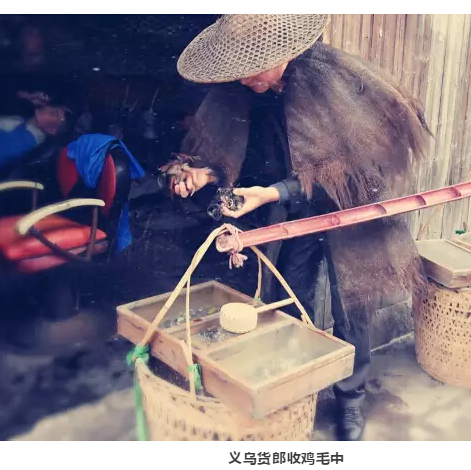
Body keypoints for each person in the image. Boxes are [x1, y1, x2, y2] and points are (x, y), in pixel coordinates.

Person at [167, 14, 431, 440]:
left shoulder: (333, 81)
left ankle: (350, 399)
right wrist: (208, 174)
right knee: (289, 296)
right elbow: (249, 157)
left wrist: (273, 193)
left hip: (349, 207)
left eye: (253, 67)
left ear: (281, 55)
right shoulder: (248, 92)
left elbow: (360, 167)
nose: (244, 77)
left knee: (351, 306)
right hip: (294, 211)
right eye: (239, 69)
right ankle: (294, 388)